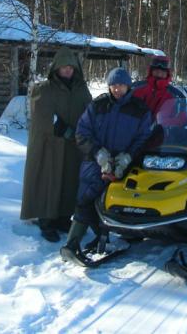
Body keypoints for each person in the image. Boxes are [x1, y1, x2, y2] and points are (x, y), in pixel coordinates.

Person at [60, 67, 152, 261]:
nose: (117, 89)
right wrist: (98, 153)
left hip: (125, 163)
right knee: (85, 197)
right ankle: (73, 242)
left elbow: (144, 138)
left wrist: (128, 156)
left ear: (128, 86)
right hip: (96, 160)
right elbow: (82, 132)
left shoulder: (140, 109)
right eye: (113, 85)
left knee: (114, 201)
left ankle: (116, 233)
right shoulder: (98, 105)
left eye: (121, 85)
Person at [21, 47, 92, 242]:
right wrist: (62, 129)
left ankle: (62, 219)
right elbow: (41, 118)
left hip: (73, 146)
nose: (68, 70)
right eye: (64, 67)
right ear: (56, 68)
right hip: (49, 147)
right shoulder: (44, 89)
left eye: (71, 67)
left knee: (70, 182)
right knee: (49, 182)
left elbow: (89, 112)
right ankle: (46, 221)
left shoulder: (82, 89)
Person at [132, 55, 187, 127]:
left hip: (162, 135)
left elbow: (181, 121)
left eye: (163, 71)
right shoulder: (136, 88)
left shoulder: (176, 95)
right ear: (151, 71)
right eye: (156, 71)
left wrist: (166, 123)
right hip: (136, 133)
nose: (159, 73)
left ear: (167, 73)